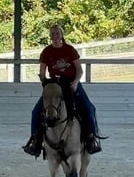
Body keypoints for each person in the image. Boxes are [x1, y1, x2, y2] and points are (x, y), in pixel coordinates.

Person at [22, 24, 103, 157]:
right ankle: (35, 141)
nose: (55, 36)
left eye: (57, 33)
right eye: (52, 33)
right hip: (55, 84)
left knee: (89, 109)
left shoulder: (70, 50)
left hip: (71, 83)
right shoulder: (46, 51)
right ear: (50, 36)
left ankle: (91, 139)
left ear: (62, 35)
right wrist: (45, 83)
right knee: (36, 112)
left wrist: (76, 82)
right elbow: (42, 72)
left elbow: (79, 69)